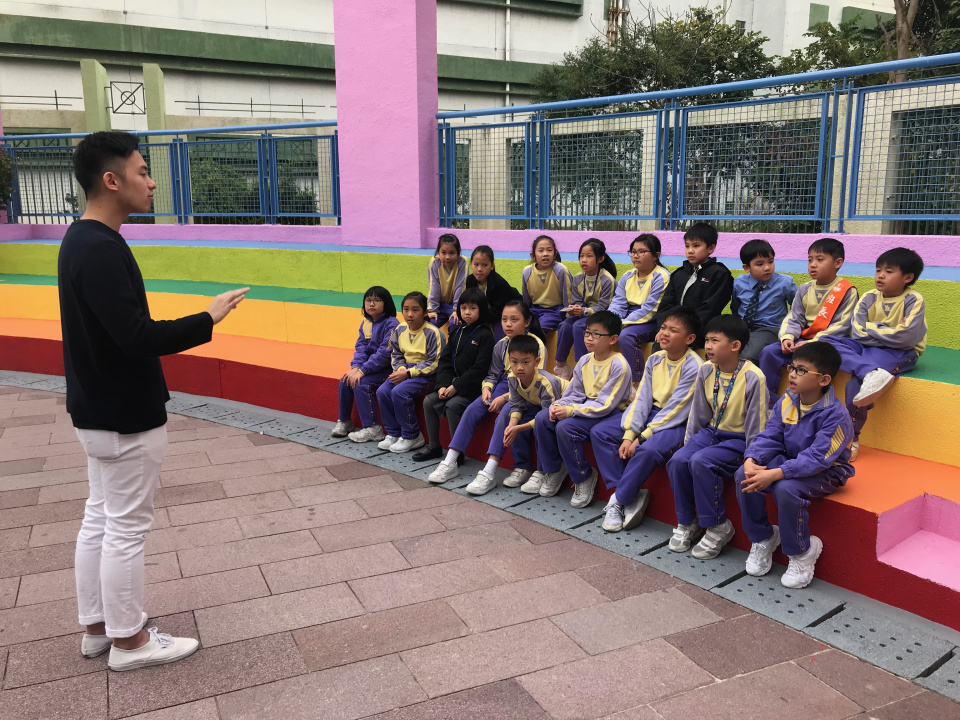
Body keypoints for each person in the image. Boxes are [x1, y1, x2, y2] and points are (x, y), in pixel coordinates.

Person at [60, 131, 248, 671]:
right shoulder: (100, 248)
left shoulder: (81, 239)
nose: (152, 182)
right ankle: (130, 642)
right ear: (110, 180)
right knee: (124, 527)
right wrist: (207, 317)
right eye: (142, 171)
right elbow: (136, 337)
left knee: (102, 517)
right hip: (123, 413)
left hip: (97, 408)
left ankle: (99, 628)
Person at [735, 341, 855, 589]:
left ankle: (802, 551)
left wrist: (777, 473)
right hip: (791, 460)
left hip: (828, 471)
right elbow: (771, 436)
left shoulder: (836, 415)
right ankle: (764, 537)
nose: (792, 374)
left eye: (801, 370)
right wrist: (751, 459)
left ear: (823, 380)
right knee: (743, 475)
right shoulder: (787, 400)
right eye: (792, 367)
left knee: (786, 489)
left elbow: (818, 458)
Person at [591, 307, 702, 533]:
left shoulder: (695, 366)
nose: (665, 333)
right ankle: (625, 493)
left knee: (647, 450)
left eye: (673, 330)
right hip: (651, 413)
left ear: (689, 339)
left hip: (677, 422)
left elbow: (676, 409)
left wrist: (641, 438)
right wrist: (630, 433)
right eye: (663, 327)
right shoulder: (655, 358)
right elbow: (642, 398)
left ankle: (618, 501)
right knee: (600, 433)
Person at [666, 315, 768, 558]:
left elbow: (757, 423)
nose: (708, 346)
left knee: (701, 462)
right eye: (707, 340)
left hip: (738, 439)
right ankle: (687, 521)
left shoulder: (753, 377)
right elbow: (698, 412)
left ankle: (718, 525)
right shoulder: (706, 369)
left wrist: (752, 456)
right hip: (711, 432)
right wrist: (689, 444)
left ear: (735, 345)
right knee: (678, 460)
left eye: (714, 340)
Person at [821, 247, 926, 461]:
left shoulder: (913, 300)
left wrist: (873, 327)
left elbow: (905, 338)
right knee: (825, 341)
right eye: (878, 270)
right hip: (866, 348)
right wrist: (887, 331)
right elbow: (857, 331)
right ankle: (870, 371)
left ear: (907, 277)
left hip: (900, 352)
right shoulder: (869, 297)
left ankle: (851, 437)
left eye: (889, 271)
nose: (880, 275)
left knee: (856, 384)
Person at [427, 299, 546, 485]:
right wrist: (486, 389)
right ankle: (450, 461)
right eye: (504, 319)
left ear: (527, 322)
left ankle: (489, 472)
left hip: (525, 392)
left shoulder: (536, 345)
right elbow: (492, 374)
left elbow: (534, 381)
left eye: (514, 319)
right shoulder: (501, 345)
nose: (508, 324)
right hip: (503, 386)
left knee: (505, 414)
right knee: (472, 409)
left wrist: (504, 398)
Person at [531, 310, 632, 507]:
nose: (589, 338)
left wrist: (571, 411)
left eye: (596, 334)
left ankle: (583, 476)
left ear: (613, 339)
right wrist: (560, 404)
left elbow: (605, 404)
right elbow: (575, 392)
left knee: (566, 427)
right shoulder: (585, 360)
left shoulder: (619, 364)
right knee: (543, 418)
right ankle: (554, 469)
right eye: (587, 333)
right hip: (586, 406)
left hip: (610, 412)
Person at [463, 334, 567, 495]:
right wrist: (512, 426)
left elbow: (547, 418)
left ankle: (542, 471)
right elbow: (517, 405)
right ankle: (522, 467)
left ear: (537, 362)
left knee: (538, 424)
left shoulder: (546, 382)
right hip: (538, 405)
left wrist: (518, 428)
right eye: (514, 362)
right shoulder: (512, 378)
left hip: (562, 407)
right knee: (514, 420)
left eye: (525, 362)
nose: (519, 367)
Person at [758, 238, 858, 404]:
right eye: (810, 260)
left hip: (828, 342)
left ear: (838, 263)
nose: (813, 265)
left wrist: (814, 343)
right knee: (769, 352)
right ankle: (769, 402)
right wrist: (788, 337)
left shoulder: (847, 290)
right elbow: (794, 317)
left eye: (820, 259)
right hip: (802, 340)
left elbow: (842, 325)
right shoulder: (804, 288)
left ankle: (819, 405)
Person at [414, 288, 495, 462]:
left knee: (453, 405)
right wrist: (442, 386)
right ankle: (434, 446)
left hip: (472, 389)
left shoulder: (485, 335)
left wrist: (456, 387)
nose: (467, 312)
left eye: (472, 308)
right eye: (463, 308)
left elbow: (480, 369)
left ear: (481, 309)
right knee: (429, 402)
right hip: (451, 384)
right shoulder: (457, 332)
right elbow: (445, 361)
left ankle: (456, 452)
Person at [376, 291, 446, 453]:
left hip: (427, 375)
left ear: (425, 312)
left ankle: (412, 435)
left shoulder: (433, 333)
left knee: (399, 392)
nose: (410, 314)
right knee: (383, 391)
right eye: (406, 309)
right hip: (404, 370)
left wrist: (408, 373)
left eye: (415, 310)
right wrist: (400, 369)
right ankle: (394, 433)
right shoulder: (400, 329)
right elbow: (396, 353)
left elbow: (434, 363)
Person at [334, 286, 399, 442]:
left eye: (377, 300)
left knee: (361, 383)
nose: (371, 304)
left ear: (386, 303)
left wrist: (362, 371)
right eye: (368, 300)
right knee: (345, 380)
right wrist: (356, 367)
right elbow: (361, 347)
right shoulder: (366, 323)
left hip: (388, 369)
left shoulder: (392, 324)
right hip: (369, 367)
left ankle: (373, 428)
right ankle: (345, 421)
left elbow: (384, 354)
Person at [655, 223, 733, 348]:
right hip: (674, 329)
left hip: (700, 332)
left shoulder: (719, 274)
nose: (690, 251)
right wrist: (663, 328)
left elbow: (710, 309)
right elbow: (666, 305)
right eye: (687, 246)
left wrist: (685, 329)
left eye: (696, 246)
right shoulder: (679, 274)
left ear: (711, 248)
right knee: (660, 344)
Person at [610, 234, 672, 387]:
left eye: (642, 252)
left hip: (651, 320)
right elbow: (618, 302)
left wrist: (622, 323)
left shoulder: (661, 276)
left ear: (656, 255)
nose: (636, 256)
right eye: (633, 252)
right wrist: (610, 320)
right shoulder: (628, 275)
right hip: (627, 317)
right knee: (598, 331)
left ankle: (637, 382)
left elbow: (650, 309)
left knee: (626, 336)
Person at [554, 238, 617, 380]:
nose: (584, 260)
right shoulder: (577, 278)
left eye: (589, 256)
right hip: (583, 314)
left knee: (578, 327)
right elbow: (576, 300)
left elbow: (604, 306)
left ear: (600, 259)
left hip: (601, 316)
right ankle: (561, 365)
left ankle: (582, 367)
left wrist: (584, 311)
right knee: (564, 325)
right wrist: (573, 309)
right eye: (581, 256)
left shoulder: (607, 280)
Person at [731, 239, 798, 363]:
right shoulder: (739, 283)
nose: (767, 268)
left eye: (771, 261)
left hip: (770, 328)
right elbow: (735, 308)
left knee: (747, 355)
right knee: (719, 349)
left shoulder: (785, 283)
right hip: (743, 327)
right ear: (747, 267)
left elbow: (798, 308)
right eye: (759, 264)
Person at [464, 245, 522, 341]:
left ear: (492, 266)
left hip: (506, 309)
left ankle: (501, 349)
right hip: (488, 312)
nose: (479, 269)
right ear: (471, 264)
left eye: (484, 265)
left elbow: (498, 310)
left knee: (499, 333)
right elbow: (471, 302)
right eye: (476, 264)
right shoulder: (470, 280)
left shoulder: (498, 283)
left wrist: (480, 319)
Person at [522, 234, 574, 333]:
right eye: (541, 250)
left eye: (549, 250)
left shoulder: (560, 270)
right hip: (534, 310)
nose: (545, 254)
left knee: (540, 327)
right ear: (533, 256)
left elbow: (568, 295)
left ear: (555, 254)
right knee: (522, 326)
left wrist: (568, 315)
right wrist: (524, 314)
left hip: (555, 311)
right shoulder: (527, 272)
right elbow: (526, 299)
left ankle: (538, 344)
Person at [426, 233, 467, 330]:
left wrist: (457, 310)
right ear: (438, 252)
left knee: (455, 323)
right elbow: (434, 287)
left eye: (452, 253)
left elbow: (460, 287)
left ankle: (452, 341)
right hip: (439, 305)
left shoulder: (462, 262)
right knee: (430, 324)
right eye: (443, 253)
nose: (447, 257)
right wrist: (432, 310)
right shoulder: (435, 262)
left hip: (454, 305)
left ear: (458, 253)